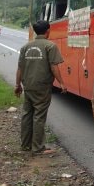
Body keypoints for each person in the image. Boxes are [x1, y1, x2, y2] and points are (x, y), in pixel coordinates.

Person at [14, 20, 67, 154]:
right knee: (39, 116)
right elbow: (54, 67)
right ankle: (38, 147)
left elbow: (20, 68)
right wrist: (62, 83)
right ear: (48, 31)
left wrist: (17, 84)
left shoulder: (26, 47)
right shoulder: (50, 46)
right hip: (42, 86)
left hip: (28, 85)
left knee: (27, 114)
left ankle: (25, 145)